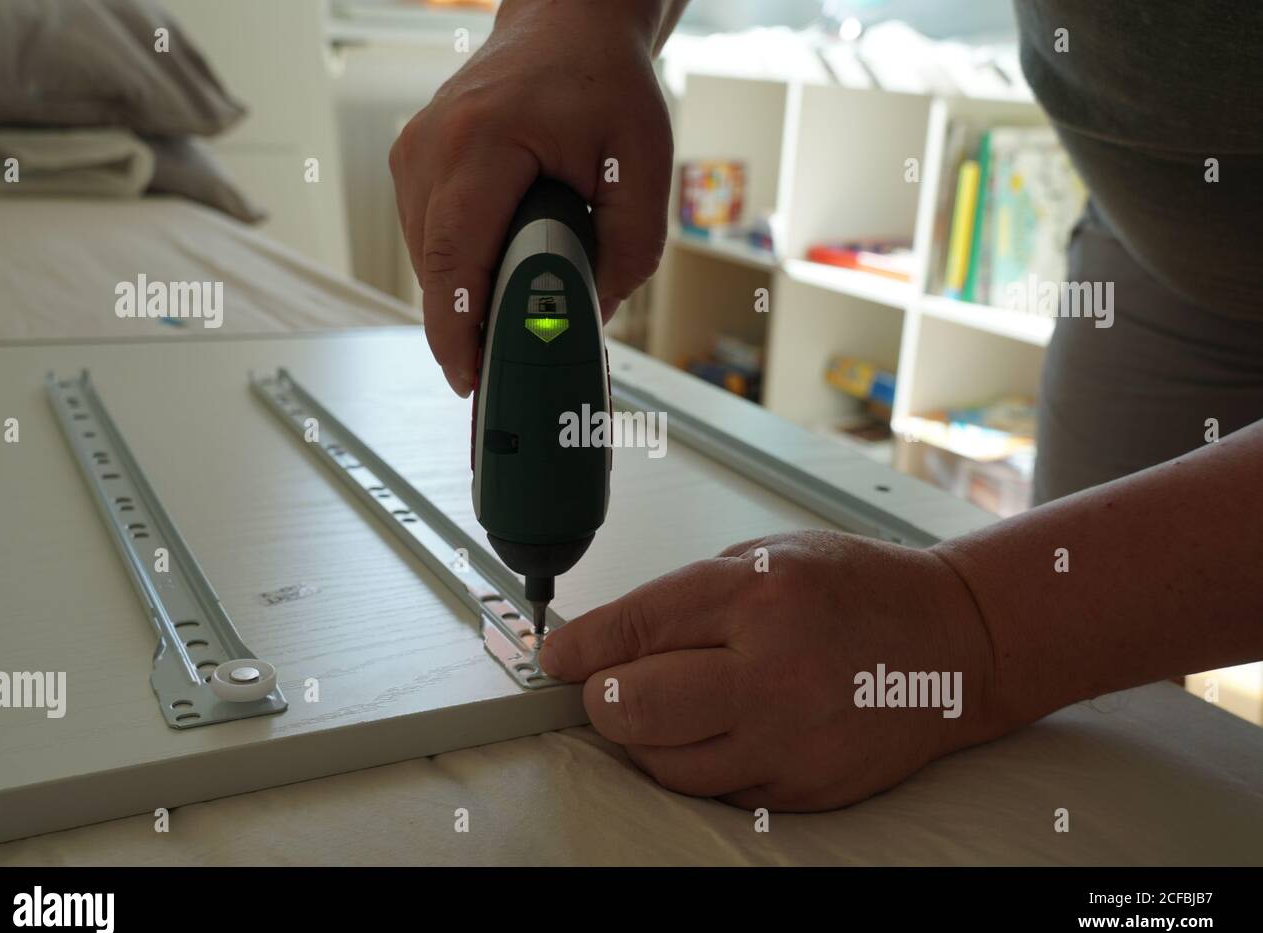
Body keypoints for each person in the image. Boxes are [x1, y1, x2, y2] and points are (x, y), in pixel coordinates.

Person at [390, 0, 1263, 810]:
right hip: (1154, 223)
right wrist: (582, 16)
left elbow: (1005, 629)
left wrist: (977, 629)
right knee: (1112, 691)